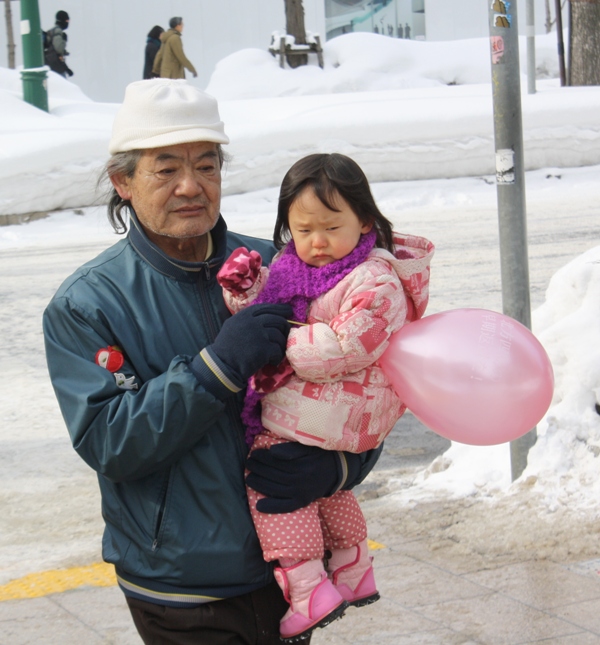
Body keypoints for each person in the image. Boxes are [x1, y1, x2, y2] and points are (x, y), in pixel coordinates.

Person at [42, 79, 381, 645]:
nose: (190, 186)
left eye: (206, 166)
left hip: (291, 571)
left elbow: (364, 383)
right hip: (182, 587)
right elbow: (110, 443)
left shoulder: (281, 265)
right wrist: (217, 367)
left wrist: (341, 469)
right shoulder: (88, 303)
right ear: (123, 181)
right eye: (165, 168)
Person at [217, 153, 435, 642]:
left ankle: (307, 585)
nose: (317, 242)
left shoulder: (376, 278)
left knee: (272, 486)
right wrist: (246, 289)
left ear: (364, 221)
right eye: (303, 228)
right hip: (321, 410)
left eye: (331, 227)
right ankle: (353, 566)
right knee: (326, 488)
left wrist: (282, 342)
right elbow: (264, 309)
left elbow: (350, 342)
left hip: (336, 407)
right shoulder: (292, 268)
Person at [44, 9, 73, 78]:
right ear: (62, 20)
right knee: (62, 86)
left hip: (51, 64)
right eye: (67, 20)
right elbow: (59, 49)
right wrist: (64, 40)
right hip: (55, 66)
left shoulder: (52, 31)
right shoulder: (57, 31)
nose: (68, 23)